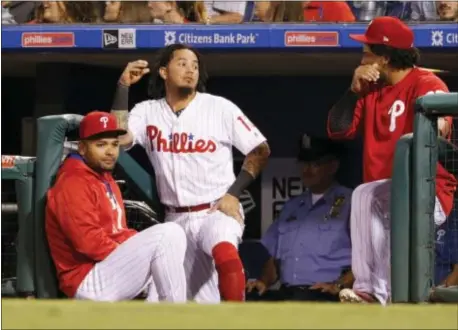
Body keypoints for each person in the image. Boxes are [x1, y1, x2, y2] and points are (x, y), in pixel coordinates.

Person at [110, 44, 270, 303]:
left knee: (225, 250)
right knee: (176, 306)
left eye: (195, 65)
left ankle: (240, 320)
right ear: (163, 72)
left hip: (215, 208)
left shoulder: (219, 107)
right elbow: (118, 137)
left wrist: (234, 193)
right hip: (175, 220)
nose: (190, 70)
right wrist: (123, 86)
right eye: (182, 63)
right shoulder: (147, 111)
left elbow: (260, 149)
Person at [326, 16, 457, 305]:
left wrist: (436, 127)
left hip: (427, 193)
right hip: (384, 197)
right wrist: (353, 91)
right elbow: (338, 130)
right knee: (369, 198)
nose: (361, 59)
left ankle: (372, 291)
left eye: (366, 53)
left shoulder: (426, 82)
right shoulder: (369, 90)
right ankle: (380, 297)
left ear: (383, 59)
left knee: (365, 194)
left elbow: (442, 129)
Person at [45, 111, 188, 302]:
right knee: (168, 233)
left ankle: (158, 318)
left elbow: (117, 231)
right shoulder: (73, 181)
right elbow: (88, 242)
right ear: (81, 148)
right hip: (86, 278)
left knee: (169, 246)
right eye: (101, 145)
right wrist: (130, 252)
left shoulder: (104, 177)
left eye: (114, 144)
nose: (111, 151)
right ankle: (177, 317)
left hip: (105, 267)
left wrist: (134, 246)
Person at [247, 134, 353, 302]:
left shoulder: (352, 202)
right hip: (289, 294)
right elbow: (274, 262)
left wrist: (339, 286)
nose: (307, 170)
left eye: (315, 164)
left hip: (328, 295)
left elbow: (369, 258)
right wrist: (263, 281)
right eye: (303, 164)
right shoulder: (291, 207)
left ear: (333, 166)